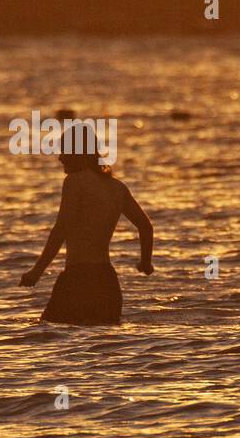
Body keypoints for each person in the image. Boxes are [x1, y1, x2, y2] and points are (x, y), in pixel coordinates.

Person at [19, 127, 153, 324]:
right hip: (107, 284)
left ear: (78, 153)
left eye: (64, 151)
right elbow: (145, 226)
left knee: (49, 336)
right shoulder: (118, 187)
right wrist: (145, 263)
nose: (60, 158)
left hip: (78, 279)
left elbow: (60, 230)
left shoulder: (74, 182)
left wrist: (36, 272)